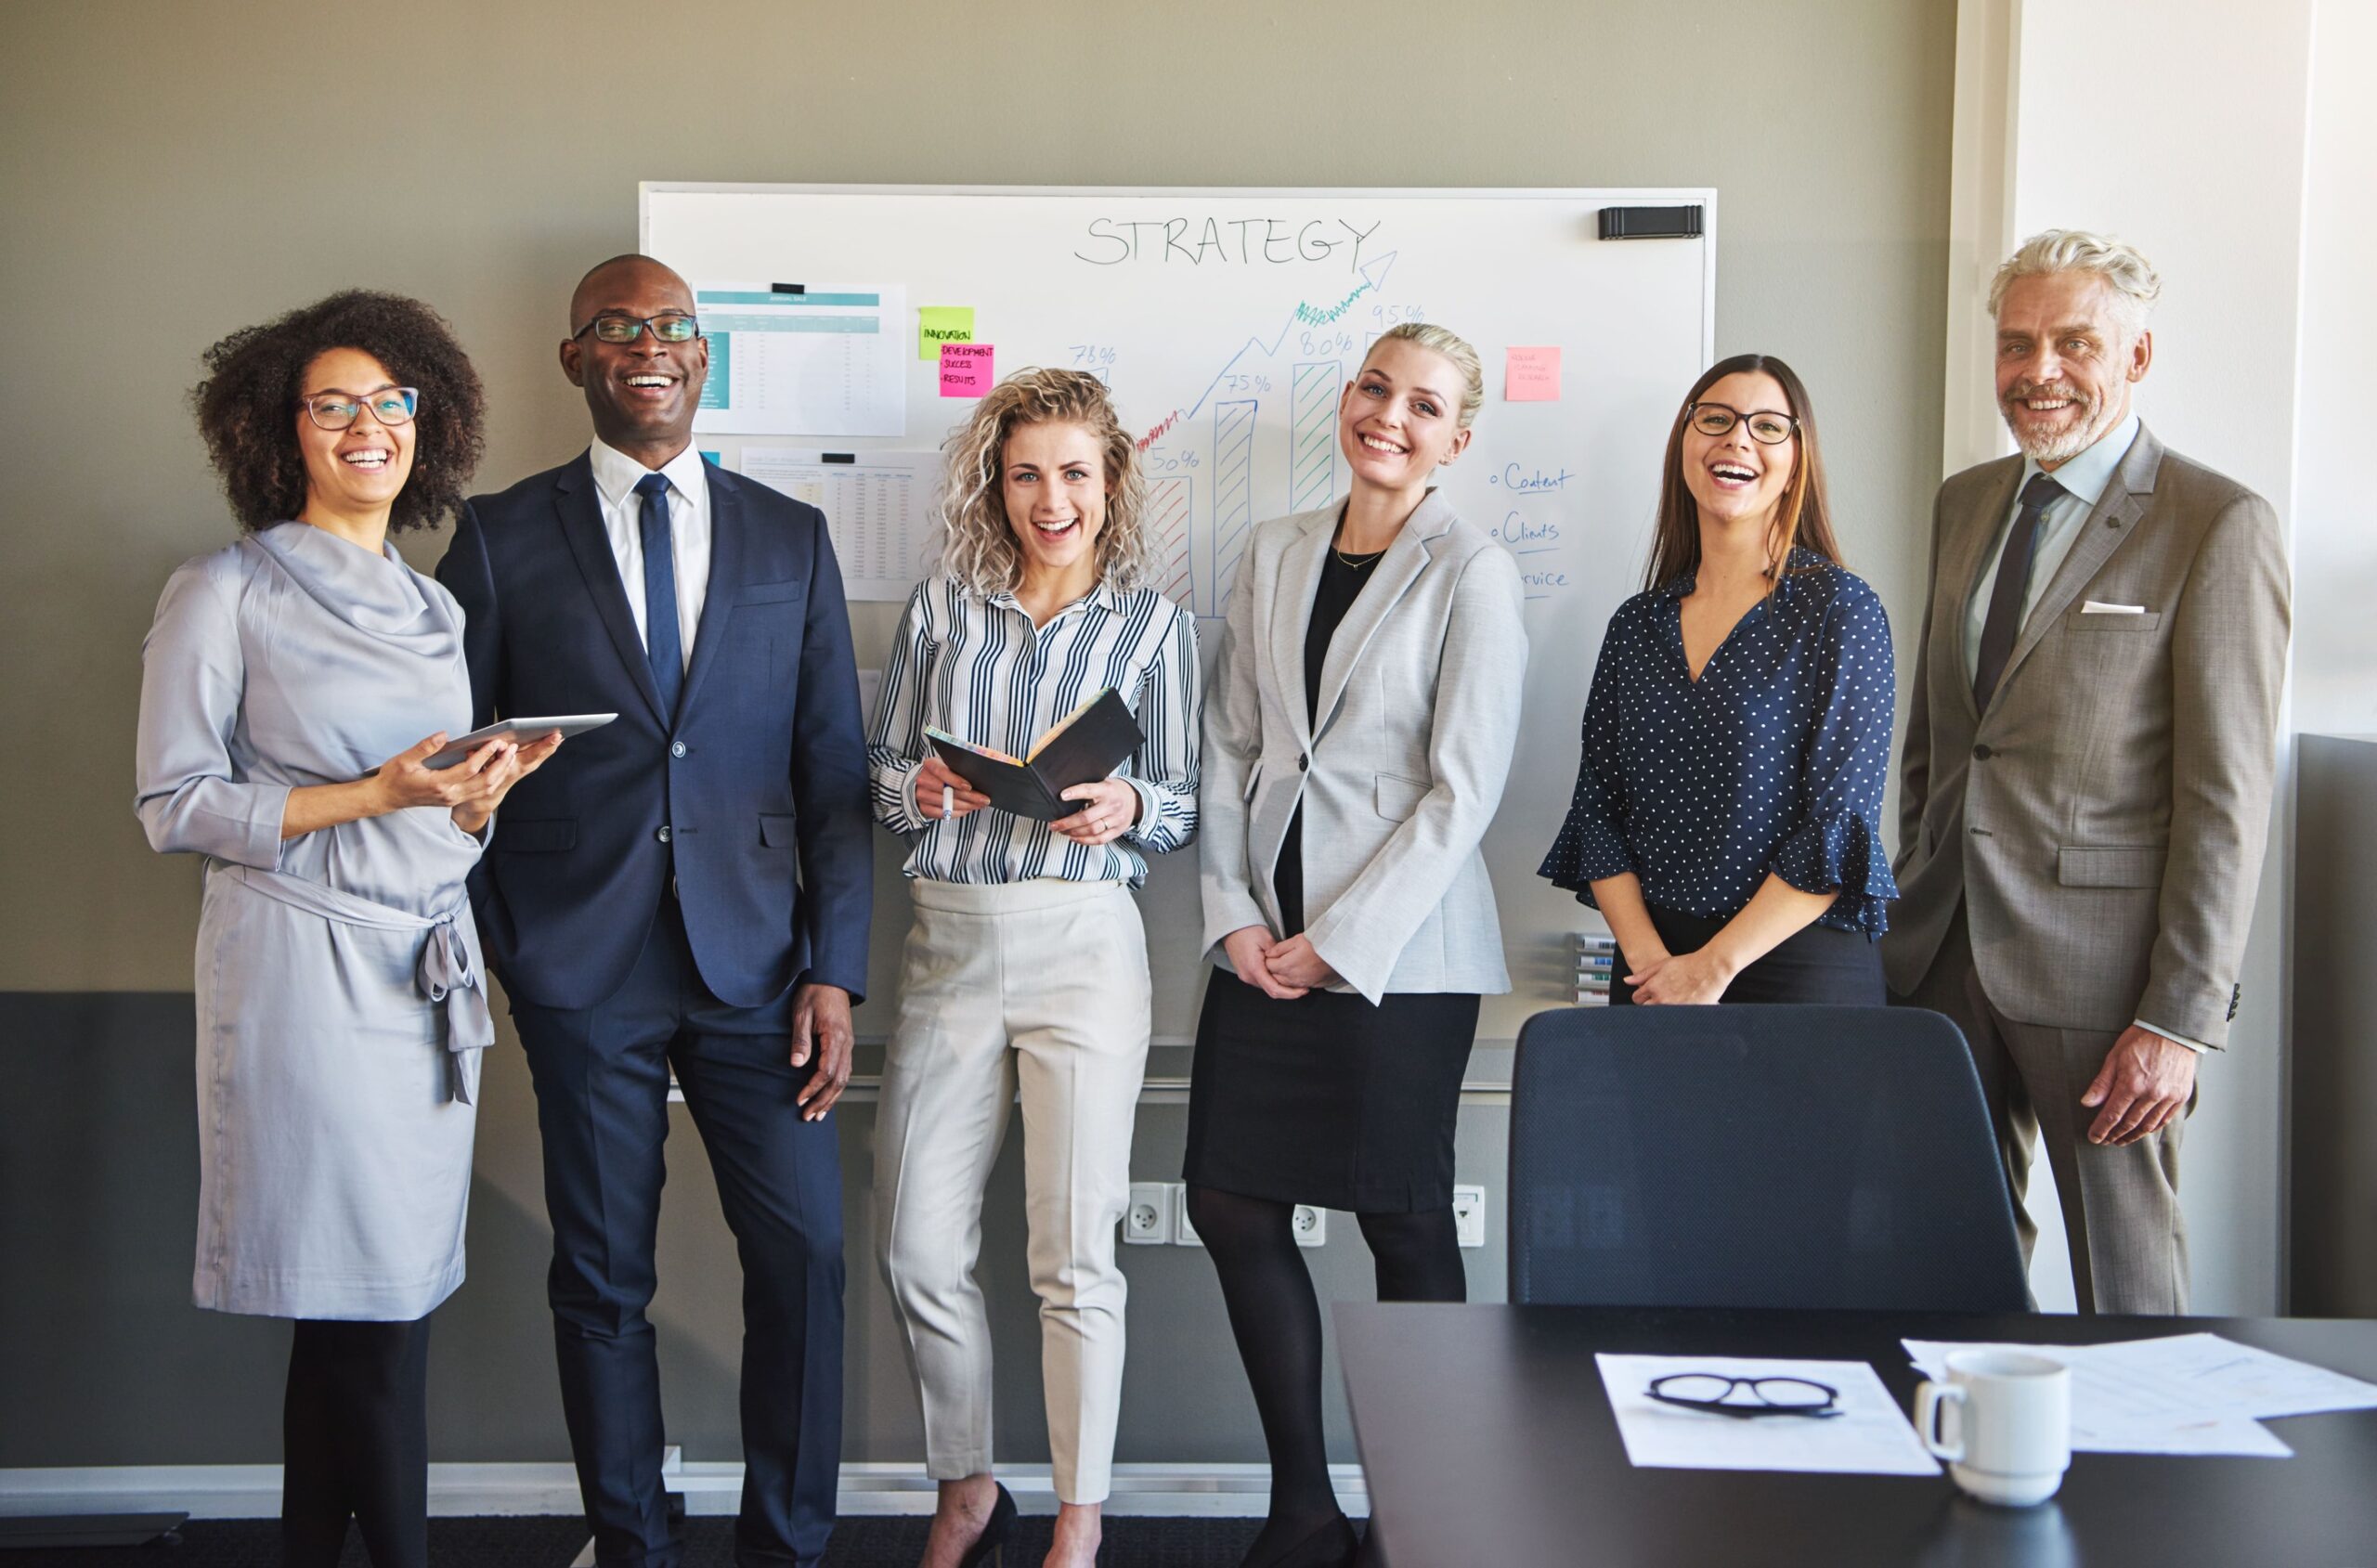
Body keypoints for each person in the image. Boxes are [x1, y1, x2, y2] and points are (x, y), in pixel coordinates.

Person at [436, 255, 872, 1566]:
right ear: (575, 358)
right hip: (584, 964)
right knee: (605, 1278)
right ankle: (633, 1541)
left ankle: (786, 1543)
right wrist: (510, 945)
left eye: (674, 325)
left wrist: (835, 971)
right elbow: (454, 764)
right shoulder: (502, 536)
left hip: (760, 968)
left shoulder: (788, 535)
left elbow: (835, 772)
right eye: (617, 326)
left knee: (805, 1260)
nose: (650, 344)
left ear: (705, 353)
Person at [138, 292, 556, 1568]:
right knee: (365, 1315)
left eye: (393, 403)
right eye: (335, 405)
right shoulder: (224, 590)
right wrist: (377, 791)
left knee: (365, 1316)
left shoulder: (436, 609)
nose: (368, 427)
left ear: (428, 423)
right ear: (283, 428)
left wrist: (475, 806)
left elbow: (430, 816)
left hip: (422, 979)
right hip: (302, 978)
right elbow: (174, 805)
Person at [1884, 230, 2290, 1315]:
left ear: (2138, 356)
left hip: (2104, 982)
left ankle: (2148, 1479)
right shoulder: (1964, 502)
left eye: (2074, 342)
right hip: (1937, 951)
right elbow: (1941, 732)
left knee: (2126, 1275)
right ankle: (1964, 1462)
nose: (2038, 372)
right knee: (1943, 1249)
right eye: (2016, 345)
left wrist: (2178, 1017)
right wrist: (1912, 881)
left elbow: (2226, 796)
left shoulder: (2217, 523)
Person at [1186, 323, 1526, 1568]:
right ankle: (1302, 1505)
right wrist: (1232, 912)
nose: (1390, 416)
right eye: (1375, 388)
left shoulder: (1470, 569)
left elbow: (1462, 790)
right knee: (1227, 1198)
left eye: (1424, 404)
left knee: (1403, 1218)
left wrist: (1337, 943)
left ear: (1458, 438)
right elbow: (1231, 745)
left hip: (1401, 961)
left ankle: (1424, 1517)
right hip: (1257, 943)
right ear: (1347, 399)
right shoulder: (1272, 550)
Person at [866, 368, 1201, 1568]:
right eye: (1025, 474)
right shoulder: (944, 609)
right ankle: (967, 1483)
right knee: (915, 1243)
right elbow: (880, 774)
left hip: (1085, 943)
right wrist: (927, 783)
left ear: (1111, 483)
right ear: (993, 483)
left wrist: (1128, 803)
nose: (1048, 497)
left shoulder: (1154, 626)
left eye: (1073, 472)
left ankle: (1078, 1515)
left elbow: (1183, 802)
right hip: (950, 935)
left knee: (1073, 1250)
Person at [1538, 354, 1897, 1004]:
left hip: (1796, 972)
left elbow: (1838, 828)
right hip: (1652, 973)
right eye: (1716, 419)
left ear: (1796, 464)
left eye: (1768, 427)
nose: (1737, 438)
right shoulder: (1636, 626)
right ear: (1685, 443)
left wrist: (1712, 967)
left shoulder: (1841, 610)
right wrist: (1654, 963)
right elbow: (1598, 815)